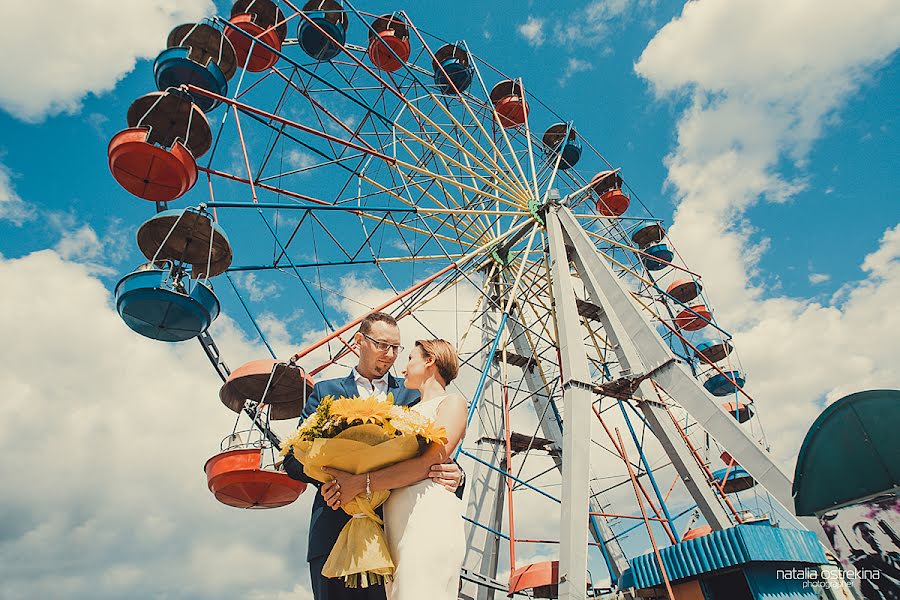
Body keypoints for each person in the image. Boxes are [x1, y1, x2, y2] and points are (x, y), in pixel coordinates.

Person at [282, 313, 465, 600]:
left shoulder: (412, 397)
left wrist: (458, 474)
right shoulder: (325, 391)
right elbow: (293, 457)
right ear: (359, 342)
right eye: (382, 345)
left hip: (396, 534)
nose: (391, 356)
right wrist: (334, 479)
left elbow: (430, 454)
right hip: (334, 527)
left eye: (397, 348)